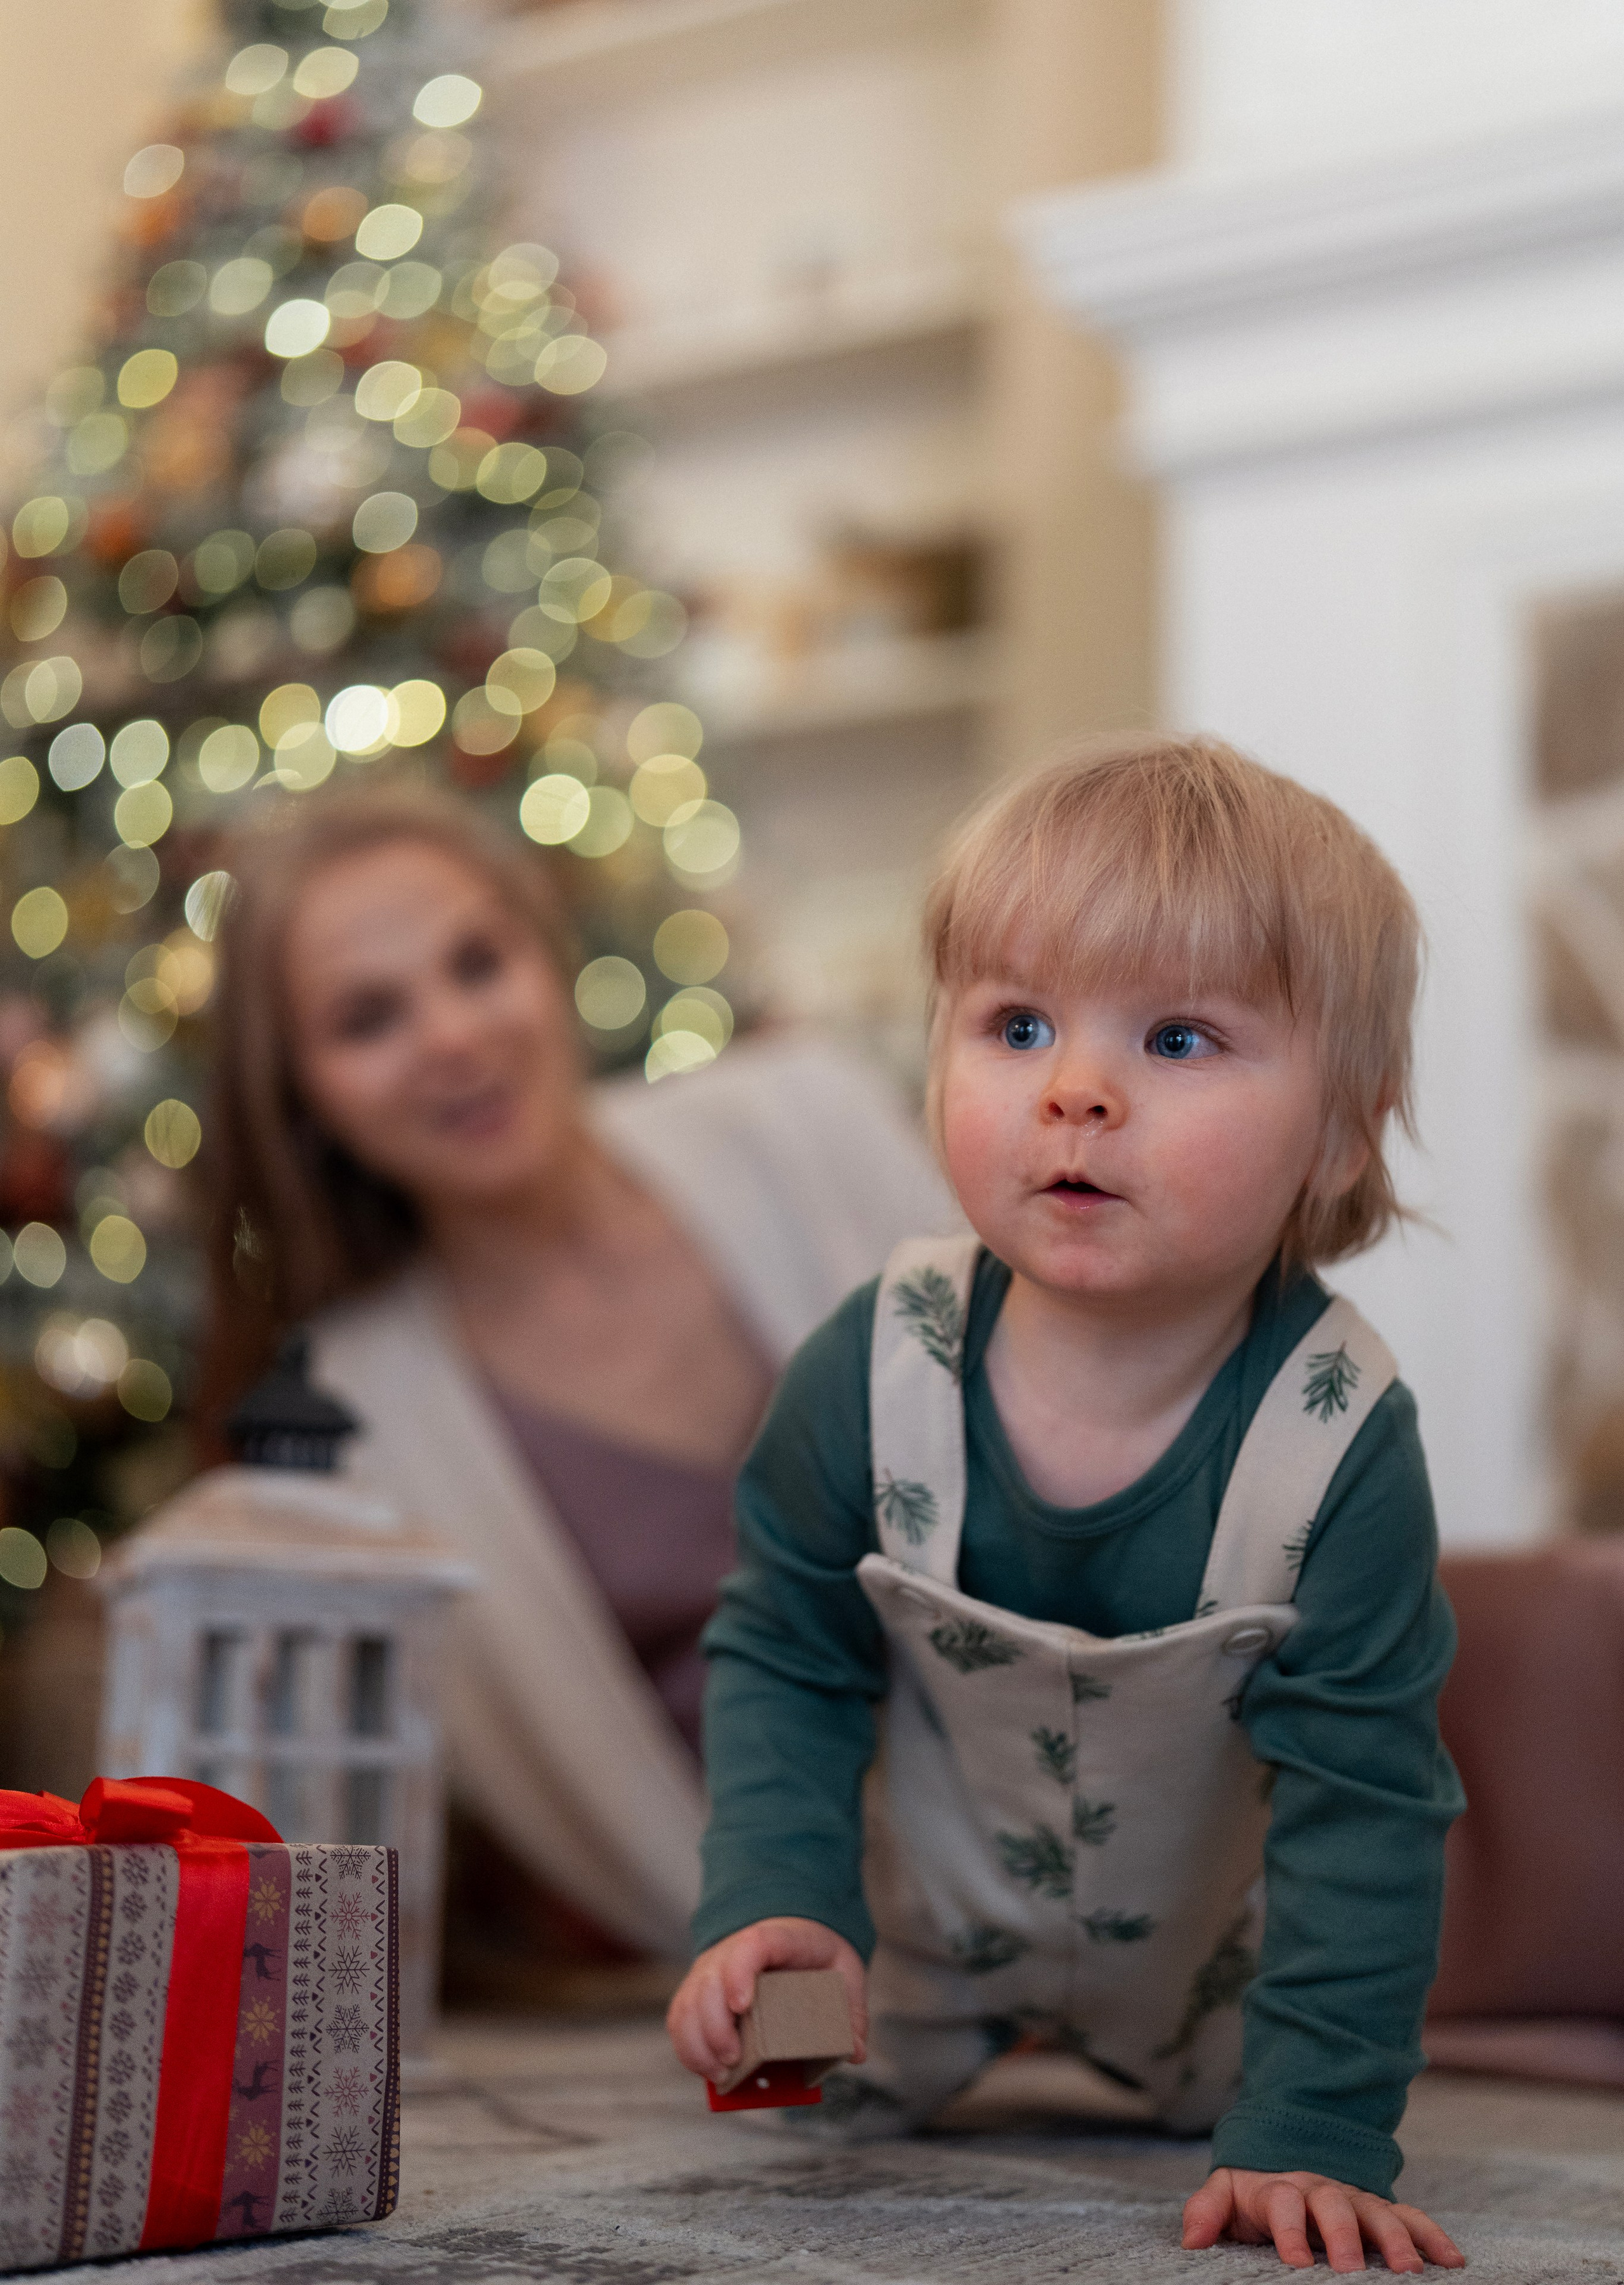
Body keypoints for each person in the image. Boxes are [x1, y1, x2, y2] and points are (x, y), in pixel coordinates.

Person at [669, 737, 1467, 2275]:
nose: (1076, 1091)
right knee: (777, 2148)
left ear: (1343, 1130)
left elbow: (1365, 1798)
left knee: (1269, 2120)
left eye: (1177, 1039)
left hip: (1214, 1993)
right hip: (904, 1956)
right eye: (1016, 1024)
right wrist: (774, 1903)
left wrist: (1314, 2123)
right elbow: (786, 1653)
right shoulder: (870, 1366)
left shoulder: (1338, 1441)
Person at [200, 786, 952, 1960]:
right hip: (765, 1986)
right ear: (301, 1092)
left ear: (547, 958)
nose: (453, 1036)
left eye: (476, 962)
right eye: (366, 1017)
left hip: (1100, 1887)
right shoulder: (346, 1424)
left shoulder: (812, 1121)